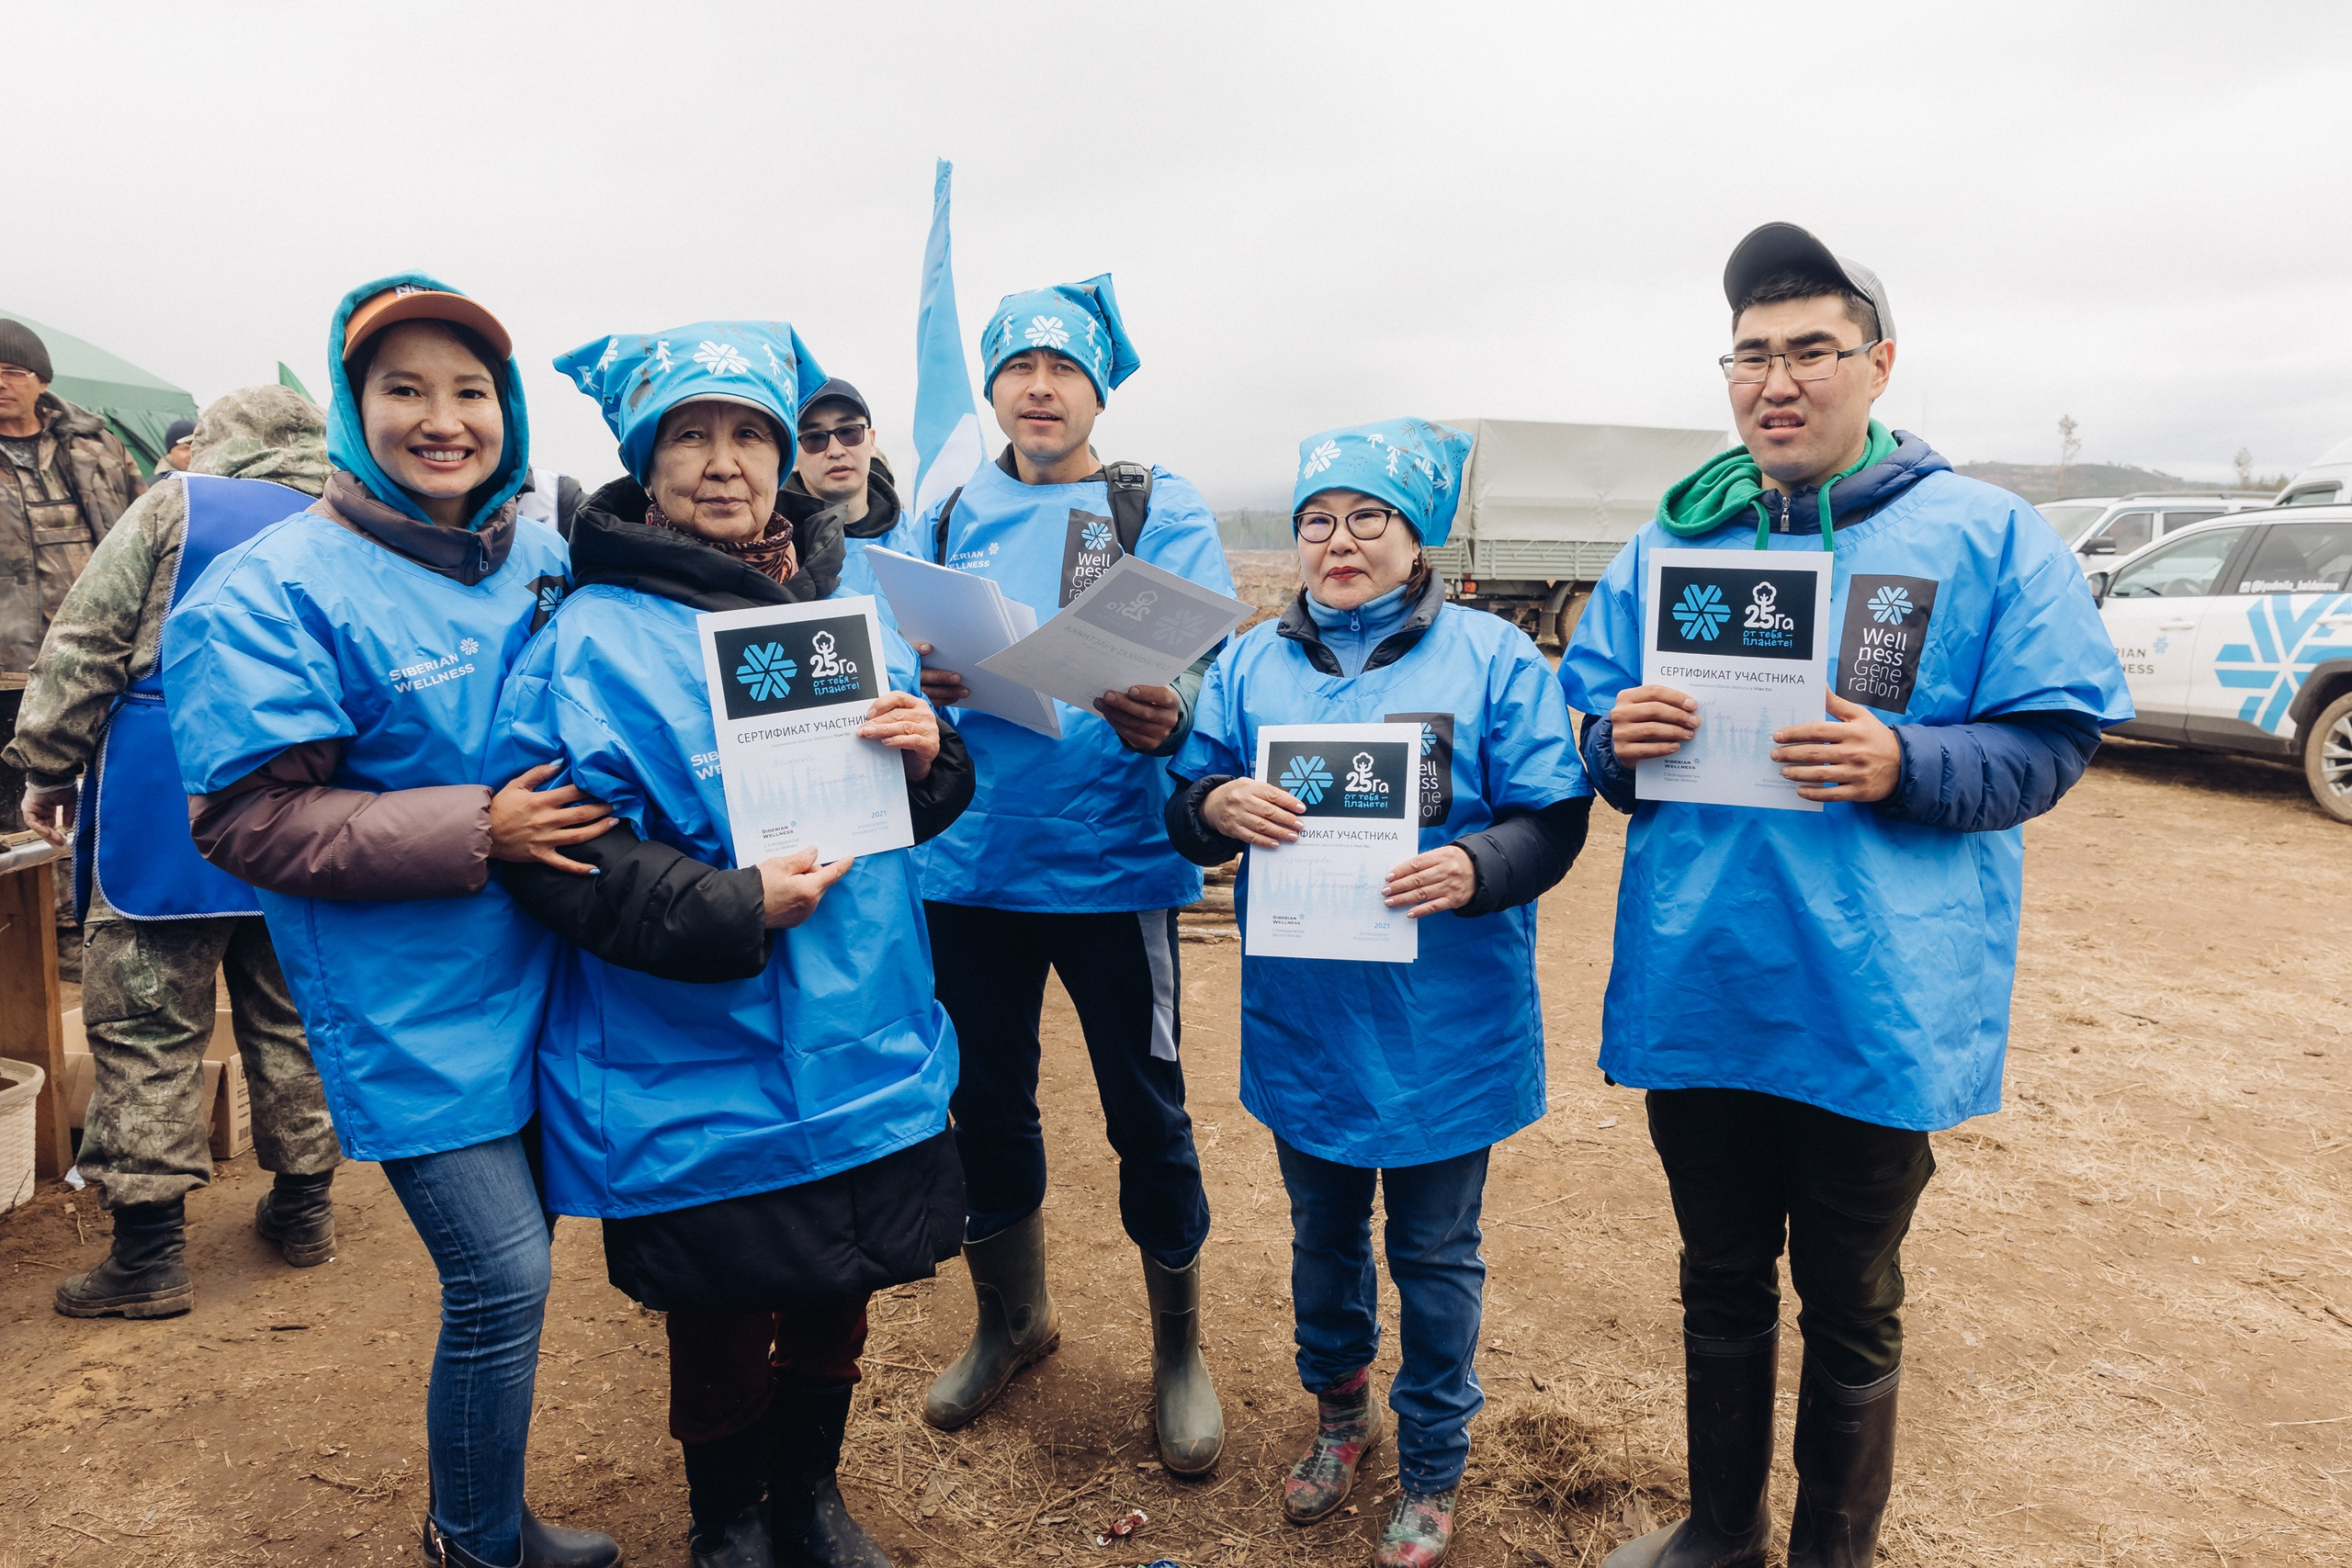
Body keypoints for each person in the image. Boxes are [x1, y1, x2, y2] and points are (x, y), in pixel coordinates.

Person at [1561, 224, 2132, 1568]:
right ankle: (1720, 1526)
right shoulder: (1675, 541)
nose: (1778, 379)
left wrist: (1905, 758)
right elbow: (1590, 734)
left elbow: (2053, 741)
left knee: (1851, 1293)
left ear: (1876, 363)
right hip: (1703, 978)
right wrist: (1612, 742)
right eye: (1751, 353)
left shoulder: (1983, 534)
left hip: (1877, 995)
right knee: (1717, 1272)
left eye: (1810, 348)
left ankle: (1832, 1549)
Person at [500, 321, 976, 1568]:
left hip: (862, 1015)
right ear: (646, 465)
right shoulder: (591, 634)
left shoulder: (846, 597)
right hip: (693, 1042)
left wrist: (933, 755)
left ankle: (811, 1493)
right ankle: (731, 1514)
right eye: (691, 436)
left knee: (840, 1273)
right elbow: (560, 851)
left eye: (751, 435)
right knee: (720, 1302)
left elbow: (908, 805)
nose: (724, 463)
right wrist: (728, 905)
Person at [162, 276, 620, 1568]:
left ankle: (487, 1512)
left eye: (469, 391)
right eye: (403, 390)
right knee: (503, 1276)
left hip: (549, 971)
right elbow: (248, 819)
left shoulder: (539, 550)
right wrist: (483, 824)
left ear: (508, 409)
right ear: (354, 412)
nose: (443, 418)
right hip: (406, 997)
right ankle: (473, 1539)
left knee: (522, 1273)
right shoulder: (273, 591)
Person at [1165, 418, 1591, 1568]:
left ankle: (1436, 1458)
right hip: (1306, 1017)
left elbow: (1553, 819)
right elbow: (1189, 788)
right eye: (1316, 522)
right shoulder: (1254, 663)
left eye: (1368, 520)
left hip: (1444, 1021)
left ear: (1418, 543)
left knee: (1437, 1251)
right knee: (1322, 1237)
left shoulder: (1496, 660)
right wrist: (1213, 811)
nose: (1338, 543)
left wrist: (1474, 865)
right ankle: (1339, 1417)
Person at [912, 274, 1235, 1473]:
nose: (1039, 388)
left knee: (1145, 1109)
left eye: (1064, 369)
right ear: (994, 387)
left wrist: (1177, 705)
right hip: (971, 866)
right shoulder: (946, 514)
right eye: (1018, 368)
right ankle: (1012, 1318)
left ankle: (1180, 1349)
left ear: (1098, 387)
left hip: (1113, 865)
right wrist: (928, 678)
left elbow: (1214, 668)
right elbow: (907, 663)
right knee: (984, 1104)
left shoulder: (1155, 505)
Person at [6, 385, 343, 1319]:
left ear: (218, 441)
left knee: (146, 1023)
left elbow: (85, 644)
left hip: (171, 797)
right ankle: (305, 1210)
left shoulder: (176, 504)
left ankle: (149, 1256)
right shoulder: (352, 519)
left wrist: (44, 765)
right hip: (312, 805)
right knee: (296, 1014)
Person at [2, 314, 145, 886]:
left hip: (97, 655)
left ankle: (77, 915)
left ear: (42, 381)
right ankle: (25, 927)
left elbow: (147, 525)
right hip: (7, 665)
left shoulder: (97, 445)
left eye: (12, 371)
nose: (0, 383)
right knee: (15, 800)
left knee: (98, 791)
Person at [783, 376, 901, 575]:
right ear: (793, 456)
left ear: (871, 442)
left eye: (848, 432)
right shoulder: (771, 552)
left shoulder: (925, 536)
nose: (835, 451)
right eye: (815, 438)